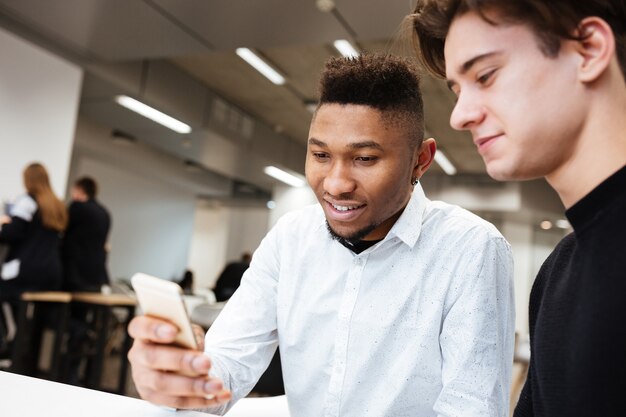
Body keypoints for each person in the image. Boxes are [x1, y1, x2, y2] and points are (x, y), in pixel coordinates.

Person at [127, 54, 515, 416]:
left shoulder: (471, 249)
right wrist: (182, 380)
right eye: (321, 155)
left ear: (421, 159)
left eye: (364, 159)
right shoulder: (291, 239)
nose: (336, 184)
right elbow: (226, 367)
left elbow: (472, 408)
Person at [408, 1, 626, 416]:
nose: (460, 116)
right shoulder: (558, 272)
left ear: (590, 49)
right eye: (457, 90)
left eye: (485, 76)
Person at [0, 162, 67, 374]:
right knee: (36, 318)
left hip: (24, 271)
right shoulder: (56, 205)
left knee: (4, 297)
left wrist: (4, 224)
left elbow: (12, 234)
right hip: (51, 272)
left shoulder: (27, 201)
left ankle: (9, 346)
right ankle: (26, 360)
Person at [61, 176, 111, 292]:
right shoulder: (104, 213)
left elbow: (61, 228)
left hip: (75, 274)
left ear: (79, 189)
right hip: (96, 274)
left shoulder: (77, 207)